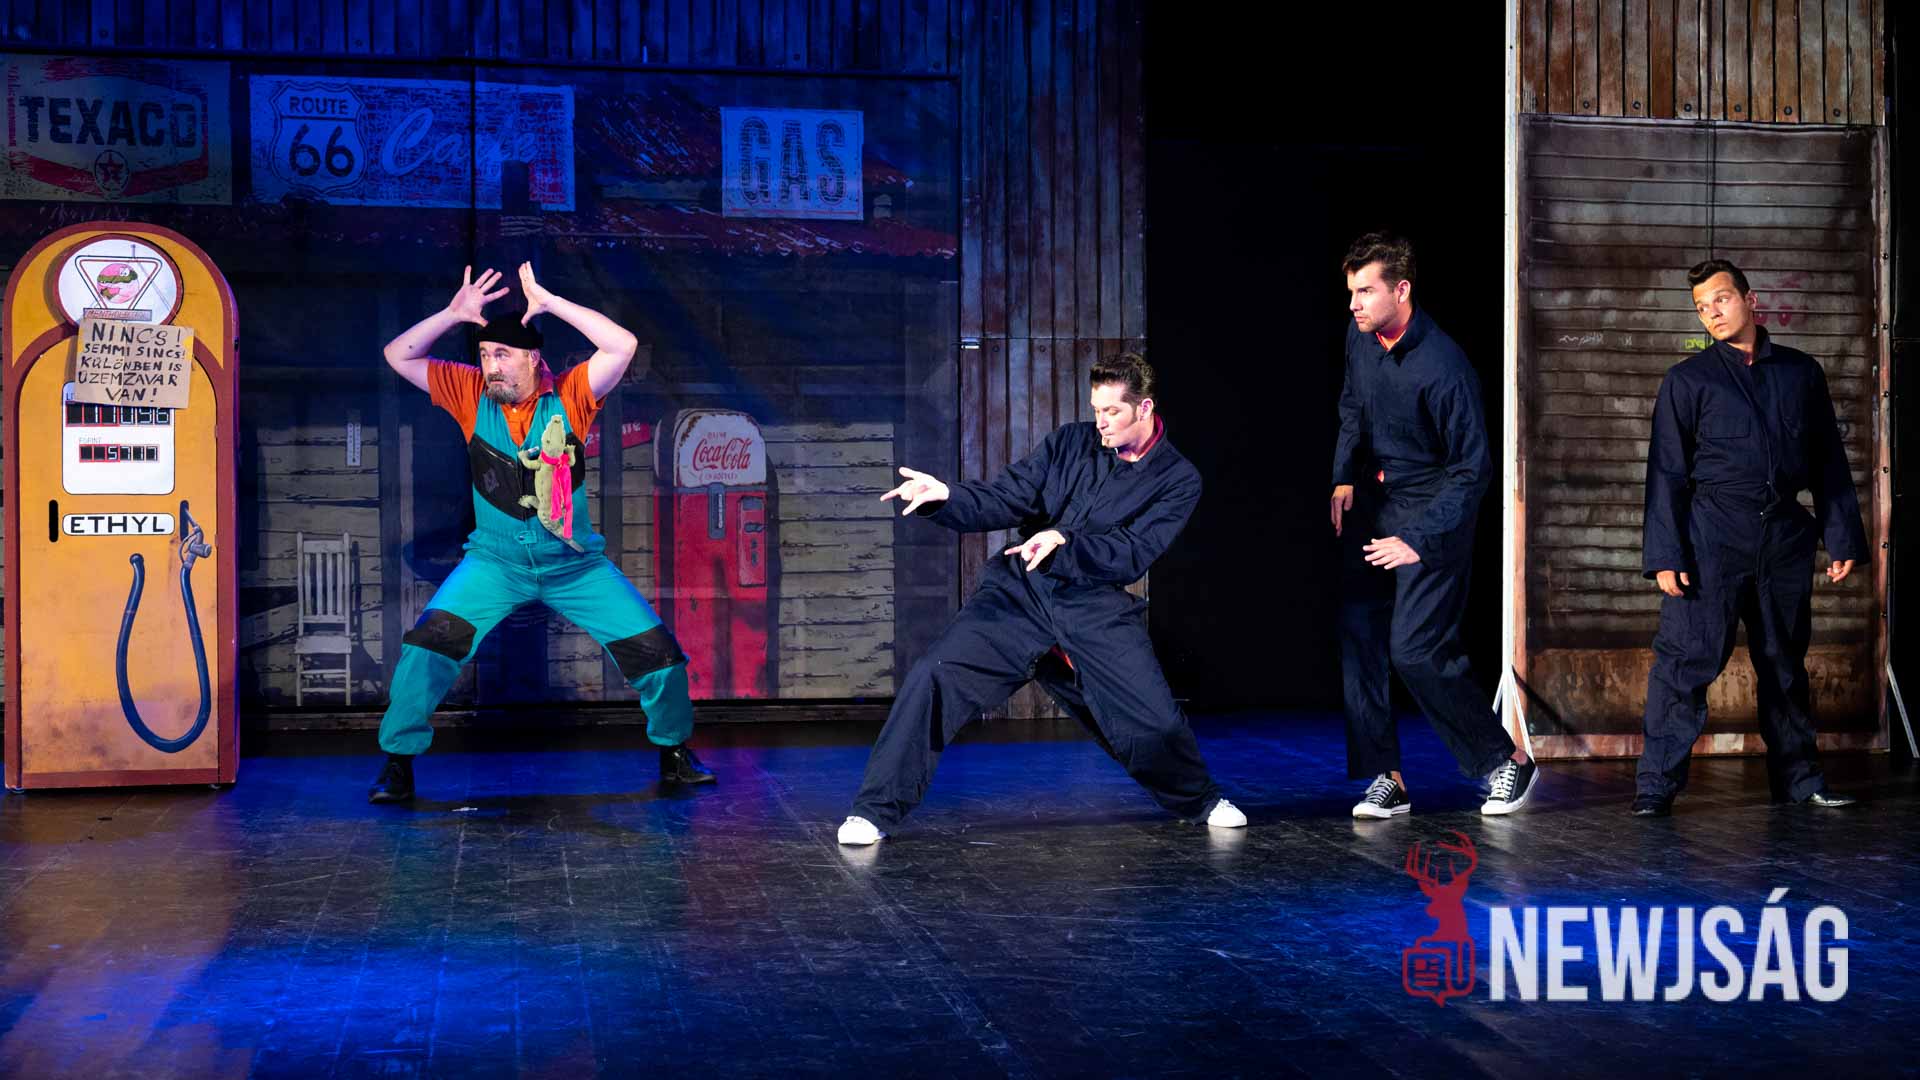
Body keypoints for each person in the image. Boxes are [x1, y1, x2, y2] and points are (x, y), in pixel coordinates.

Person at [836, 353, 1246, 844]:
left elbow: (1131, 554)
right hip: (1021, 593)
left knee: (1154, 723)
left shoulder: (1178, 479)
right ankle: (873, 811)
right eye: (1096, 410)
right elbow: (1008, 496)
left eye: (1112, 411)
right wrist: (947, 497)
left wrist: (1065, 543)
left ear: (1144, 408)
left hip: (1093, 606)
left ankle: (1199, 800)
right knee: (933, 676)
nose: (1101, 422)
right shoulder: (1070, 443)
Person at [366, 264, 714, 803]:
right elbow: (399, 355)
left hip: (574, 565)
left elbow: (621, 346)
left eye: (502, 355)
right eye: (485, 355)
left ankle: (674, 753)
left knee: (658, 654)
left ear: (533, 358)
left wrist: (551, 303)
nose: (490, 366)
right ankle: (398, 763)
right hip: (495, 564)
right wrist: (453, 314)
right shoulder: (469, 392)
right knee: (426, 648)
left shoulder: (571, 395)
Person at [1634, 259, 1865, 816]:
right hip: (1711, 537)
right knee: (1687, 662)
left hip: (1783, 537)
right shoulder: (1688, 381)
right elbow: (1666, 472)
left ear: (1749, 299)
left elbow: (1828, 462)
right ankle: (1655, 788)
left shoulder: (1801, 373)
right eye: (1701, 307)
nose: (1712, 313)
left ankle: (1800, 782)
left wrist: (1842, 538)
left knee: (1784, 664)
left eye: (1720, 299)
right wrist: (1665, 555)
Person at [1330, 232, 1538, 820]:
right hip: (1376, 502)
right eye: (1351, 292)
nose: (1354, 304)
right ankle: (1388, 779)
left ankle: (1507, 760)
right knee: (1360, 637)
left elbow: (1473, 471)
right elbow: (1352, 404)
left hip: (1432, 512)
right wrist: (1343, 476)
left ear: (1401, 290)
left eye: (1365, 292)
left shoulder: (1444, 367)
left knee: (1415, 649)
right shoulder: (1360, 336)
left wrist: (1417, 539)